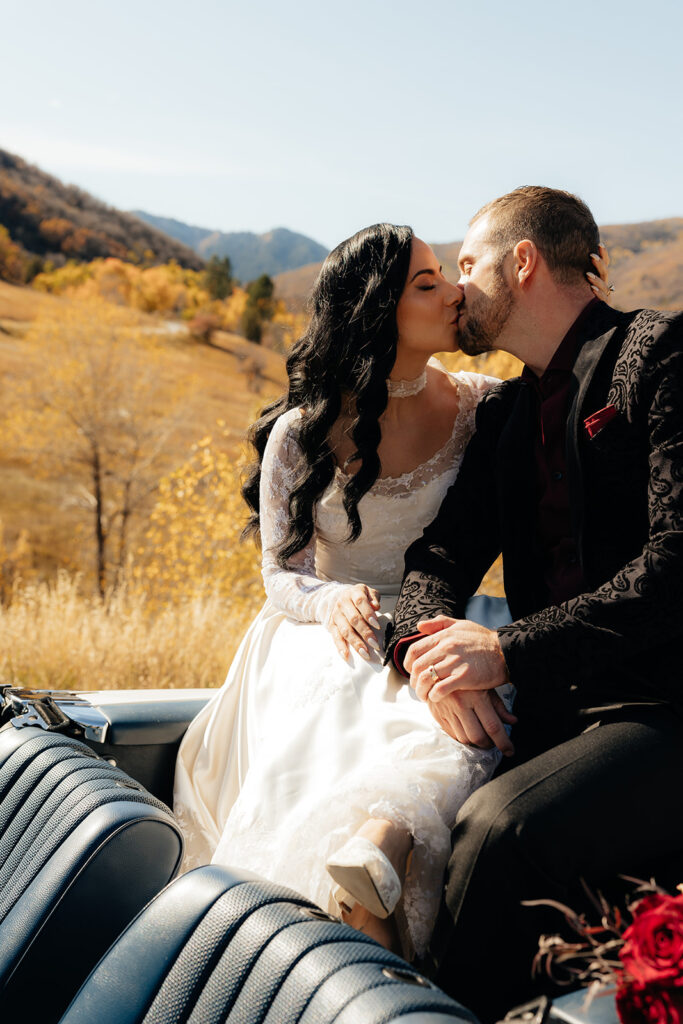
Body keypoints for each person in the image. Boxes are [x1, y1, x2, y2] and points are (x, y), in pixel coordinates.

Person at [173, 221, 610, 960]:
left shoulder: (479, 406)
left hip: (425, 615)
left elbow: (461, 546)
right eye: (428, 281)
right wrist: (328, 601)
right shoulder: (301, 432)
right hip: (322, 629)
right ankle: (350, 926)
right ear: (379, 309)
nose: (454, 292)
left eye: (450, 272)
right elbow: (280, 575)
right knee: (358, 696)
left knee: (468, 710)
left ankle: (377, 867)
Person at [385, 186, 683, 1021]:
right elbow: (438, 556)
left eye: (469, 264)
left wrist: (506, 650)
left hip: (662, 706)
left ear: (522, 262)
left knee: (497, 830)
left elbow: (674, 571)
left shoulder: (658, 359)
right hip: (553, 706)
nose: (457, 287)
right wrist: (427, 653)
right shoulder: (508, 413)